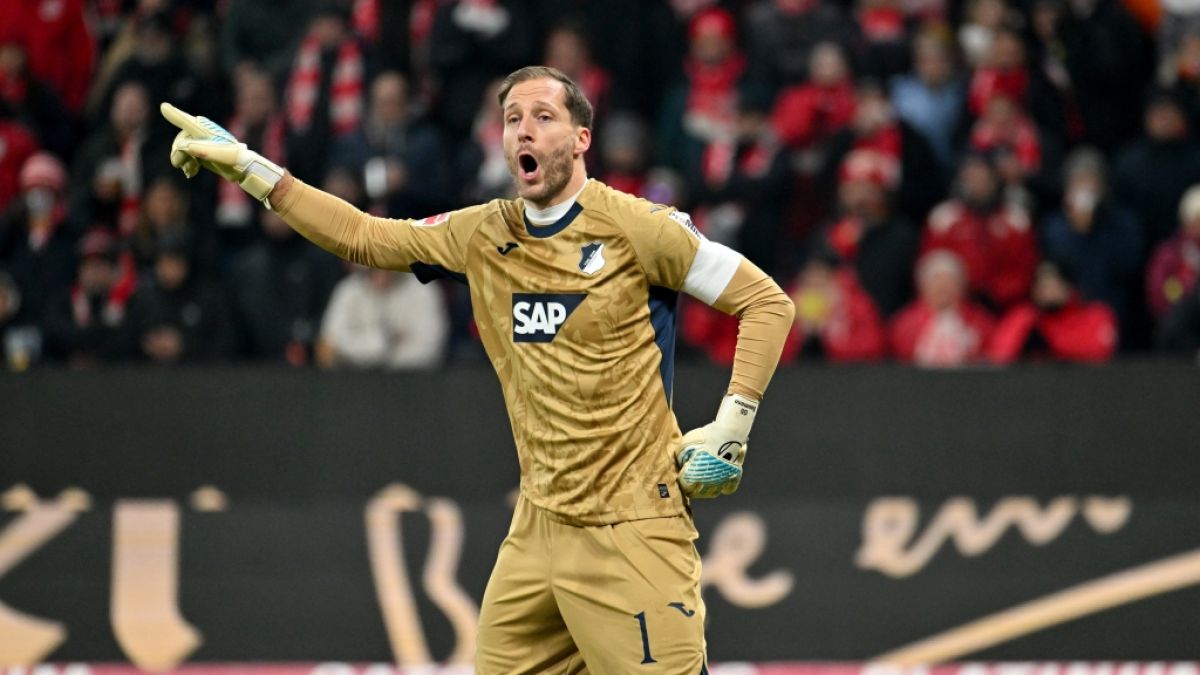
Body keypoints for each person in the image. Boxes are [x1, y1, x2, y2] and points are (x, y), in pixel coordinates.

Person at [163, 64, 794, 672]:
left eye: (542, 117)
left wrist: (731, 428)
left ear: (580, 140)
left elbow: (767, 302)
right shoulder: (483, 235)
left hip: (631, 527)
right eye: (512, 117)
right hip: (538, 530)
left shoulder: (638, 228)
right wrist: (251, 168)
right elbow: (364, 236)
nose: (522, 129)